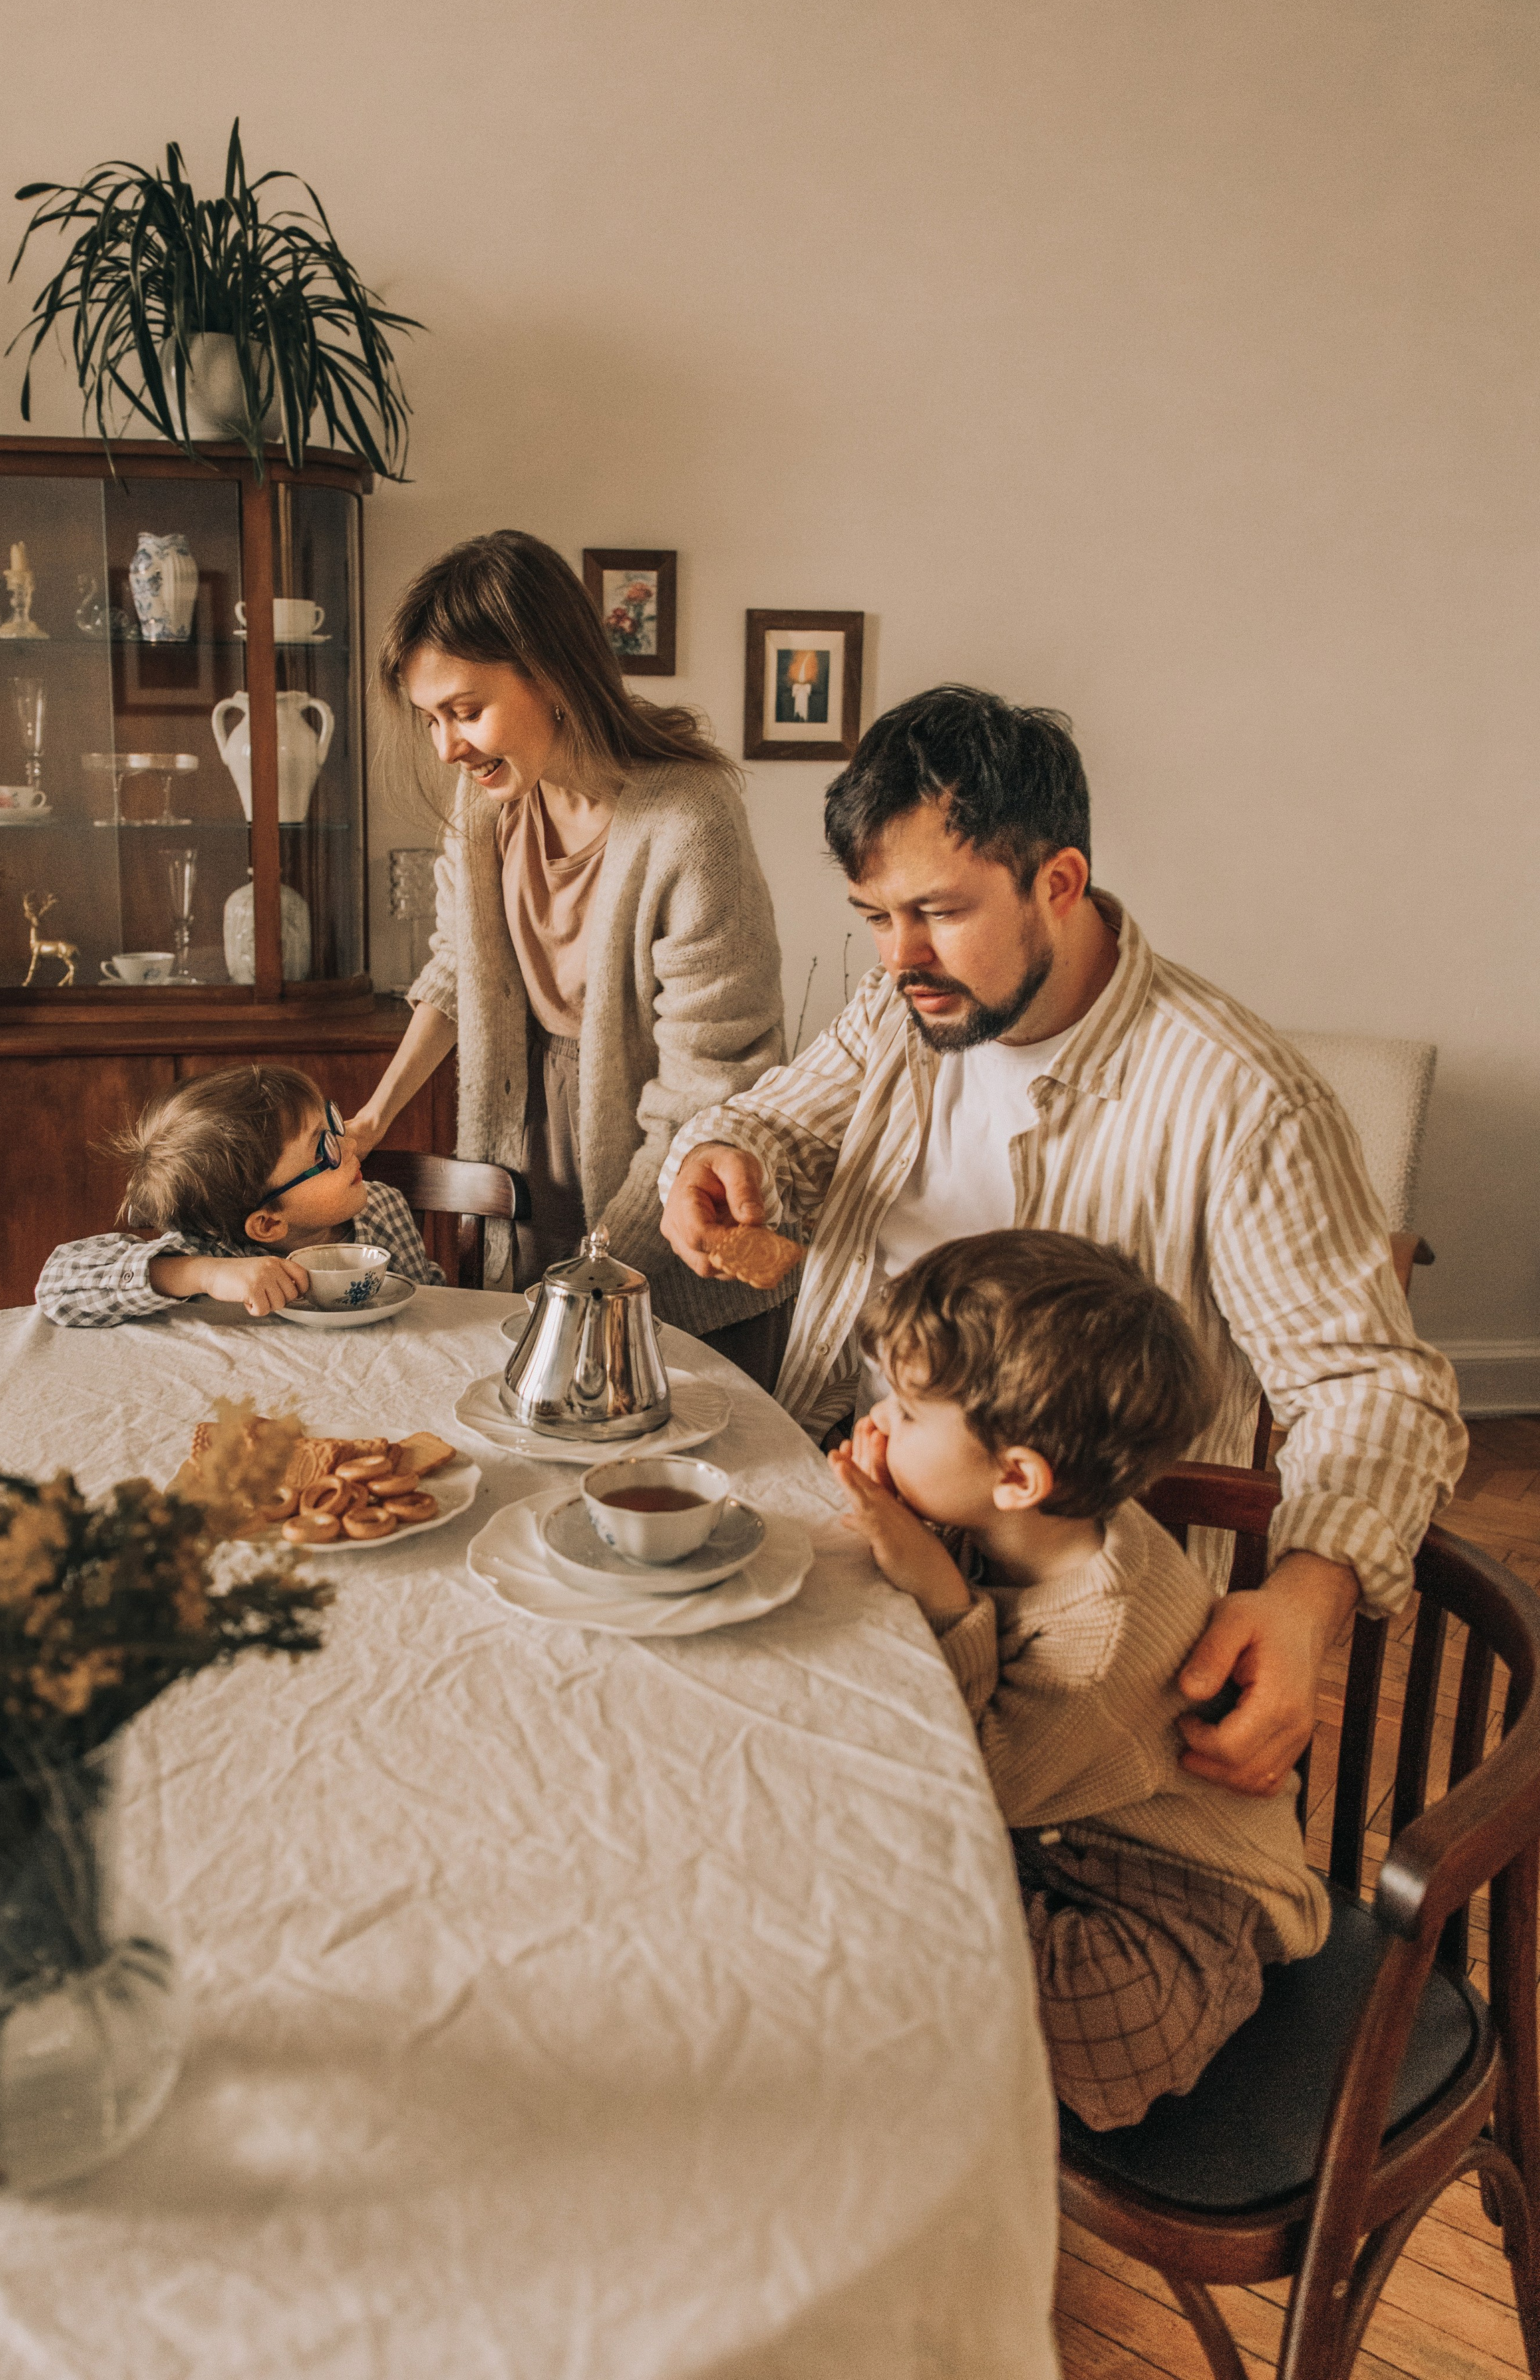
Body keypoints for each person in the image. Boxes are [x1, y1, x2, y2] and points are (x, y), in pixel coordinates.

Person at [660, 684, 1466, 1797]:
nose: (899, 956)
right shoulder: (906, 1007)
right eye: (875, 916)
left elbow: (1372, 1386)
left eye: (939, 911)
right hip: (864, 1527)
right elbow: (777, 1123)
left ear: (1060, 881)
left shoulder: (1244, 1103)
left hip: (1075, 1639)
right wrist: (719, 1151)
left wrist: (1304, 1596)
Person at [830, 1231, 1331, 2130]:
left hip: (1174, 1899)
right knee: (885, 1878)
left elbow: (974, 1785)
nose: (878, 1423)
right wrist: (920, 1526)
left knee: (1088, 2010)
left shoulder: (1100, 1635)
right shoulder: (1042, 1524)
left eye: (904, 1412)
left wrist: (941, 1595)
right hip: (1067, 1831)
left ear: (1016, 1477)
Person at [347, 530, 797, 1386]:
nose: (446, 748)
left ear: (551, 673)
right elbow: (458, 970)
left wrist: (600, 1262)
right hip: (532, 1153)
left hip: (662, 1163)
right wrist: (374, 1116)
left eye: (464, 711)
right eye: (431, 719)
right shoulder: (485, 807)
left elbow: (705, 1084)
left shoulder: (688, 822)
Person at [36, 1064, 440, 1327]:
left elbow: (431, 1309)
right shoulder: (213, 1252)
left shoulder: (384, 1209)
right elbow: (57, 1284)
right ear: (268, 1223)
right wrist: (206, 1275)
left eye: (332, 1126)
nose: (350, 1144)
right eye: (323, 1150)